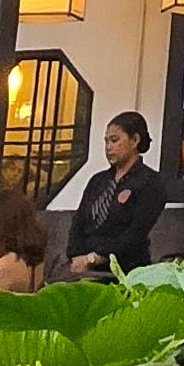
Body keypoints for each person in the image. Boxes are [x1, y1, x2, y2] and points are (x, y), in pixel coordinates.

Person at [64, 112, 166, 272]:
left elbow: (137, 232)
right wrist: (76, 254)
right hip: (85, 267)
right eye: (106, 141)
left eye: (114, 140)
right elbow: (79, 221)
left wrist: (97, 257)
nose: (108, 147)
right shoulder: (98, 180)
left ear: (135, 140)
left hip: (127, 268)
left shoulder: (150, 181)